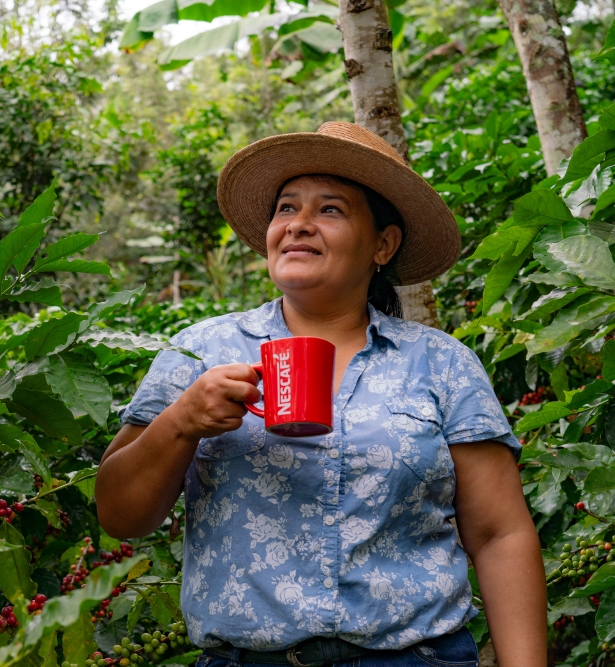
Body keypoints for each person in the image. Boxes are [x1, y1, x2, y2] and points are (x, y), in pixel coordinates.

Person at [95, 122, 545, 667]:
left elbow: (500, 534)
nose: (299, 226)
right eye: (286, 208)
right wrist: (182, 420)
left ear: (383, 244)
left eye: (330, 210)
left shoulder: (441, 362)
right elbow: (120, 514)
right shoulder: (200, 351)